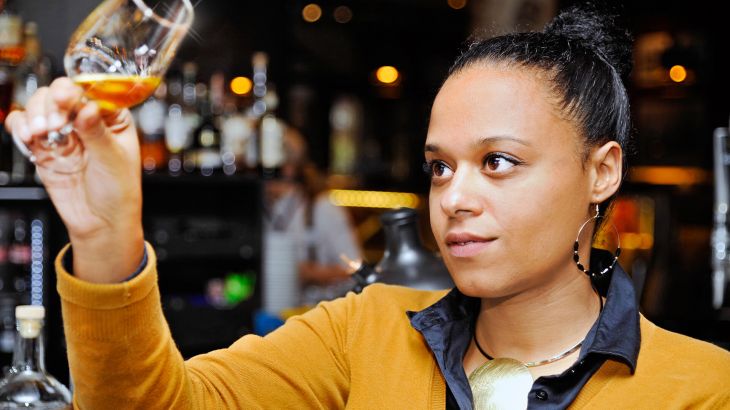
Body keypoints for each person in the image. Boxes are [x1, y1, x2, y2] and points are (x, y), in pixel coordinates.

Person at [5, 5, 730, 409]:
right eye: (439, 167)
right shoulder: (363, 333)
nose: (455, 197)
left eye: (498, 162)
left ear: (602, 172)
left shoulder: (700, 388)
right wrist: (107, 236)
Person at [264, 125, 361, 305]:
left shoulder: (322, 208)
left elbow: (356, 270)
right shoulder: (260, 207)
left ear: (288, 168)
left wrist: (311, 273)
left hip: (311, 312)